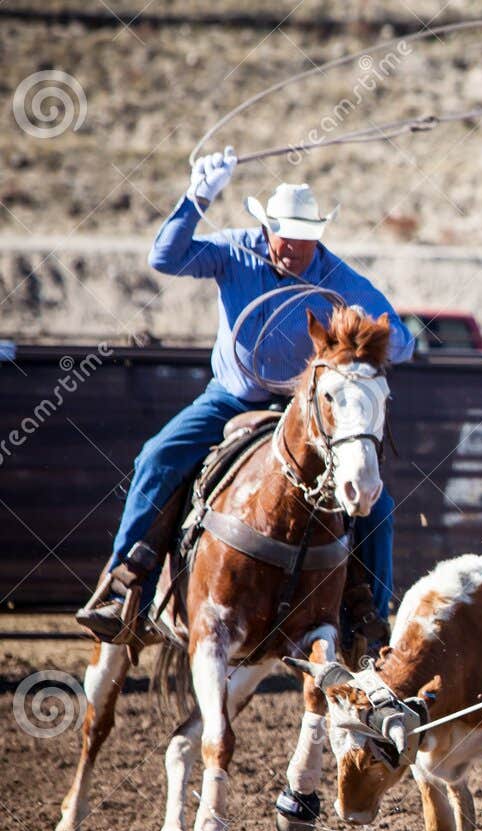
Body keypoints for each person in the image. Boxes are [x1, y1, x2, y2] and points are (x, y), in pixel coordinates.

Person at [75, 149, 415, 649]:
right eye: (287, 238)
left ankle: (369, 615)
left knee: (376, 503)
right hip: (229, 399)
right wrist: (196, 199)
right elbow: (165, 257)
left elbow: (402, 340)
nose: (295, 250)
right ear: (267, 228)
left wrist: (363, 329)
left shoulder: (339, 279)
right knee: (158, 456)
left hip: (299, 414)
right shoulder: (234, 252)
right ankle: (124, 583)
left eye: (305, 240)